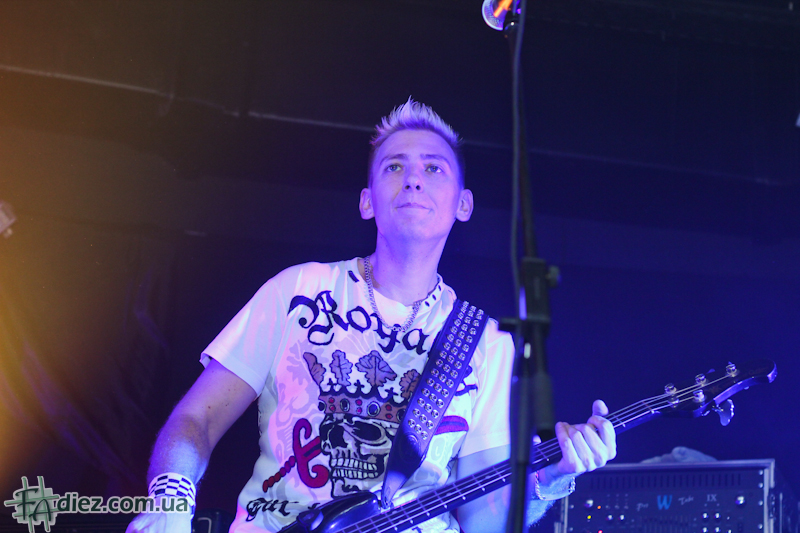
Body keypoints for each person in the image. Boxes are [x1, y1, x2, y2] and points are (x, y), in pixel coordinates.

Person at [126, 99, 616, 533]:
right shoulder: (297, 290)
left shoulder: (487, 341)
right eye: (394, 167)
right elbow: (196, 418)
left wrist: (550, 480)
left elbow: (483, 521)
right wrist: (171, 501)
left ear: (463, 205)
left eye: (434, 168)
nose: (414, 178)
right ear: (366, 201)